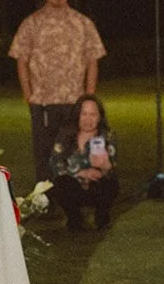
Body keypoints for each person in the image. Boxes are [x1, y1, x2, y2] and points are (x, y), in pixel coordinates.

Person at [8, 0, 107, 185]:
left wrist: (88, 99)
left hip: (74, 102)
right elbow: (21, 60)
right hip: (43, 102)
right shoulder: (32, 24)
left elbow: (93, 60)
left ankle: (75, 196)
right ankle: (46, 199)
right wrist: (28, 94)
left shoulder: (82, 24)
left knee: (75, 151)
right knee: (45, 154)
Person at [47, 95, 117, 231]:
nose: (88, 119)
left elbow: (113, 167)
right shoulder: (65, 135)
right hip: (73, 184)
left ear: (99, 116)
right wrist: (78, 173)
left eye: (93, 115)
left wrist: (105, 167)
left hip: (96, 183)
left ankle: (101, 218)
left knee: (110, 184)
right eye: (84, 114)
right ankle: (74, 219)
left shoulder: (107, 136)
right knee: (61, 183)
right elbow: (55, 162)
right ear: (77, 115)